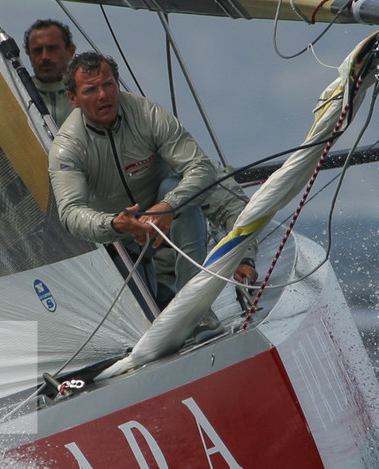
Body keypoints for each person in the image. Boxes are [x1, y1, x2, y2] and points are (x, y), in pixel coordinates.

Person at [48, 52, 256, 310]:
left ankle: (196, 309)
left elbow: (203, 169)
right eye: (90, 90)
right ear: (73, 99)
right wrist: (115, 224)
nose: (103, 95)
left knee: (179, 189)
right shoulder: (67, 147)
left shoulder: (148, 115)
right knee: (143, 319)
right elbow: (70, 213)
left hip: (171, 223)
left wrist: (245, 257)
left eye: (108, 85)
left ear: (117, 84)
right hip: (121, 241)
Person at [23, 18, 75, 126]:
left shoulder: (88, 96)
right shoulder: (19, 94)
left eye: (52, 49)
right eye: (37, 51)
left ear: (70, 51)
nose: (45, 57)